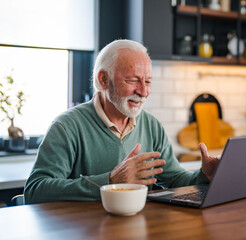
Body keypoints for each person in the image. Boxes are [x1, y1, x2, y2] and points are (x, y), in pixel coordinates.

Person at [24, 39, 220, 204]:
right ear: (103, 80)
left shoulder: (151, 125)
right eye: (133, 80)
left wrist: (204, 175)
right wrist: (109, 182)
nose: (143, 92)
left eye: (148, 81)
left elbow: (175, 178)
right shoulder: (67, 126)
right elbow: (35, 190)